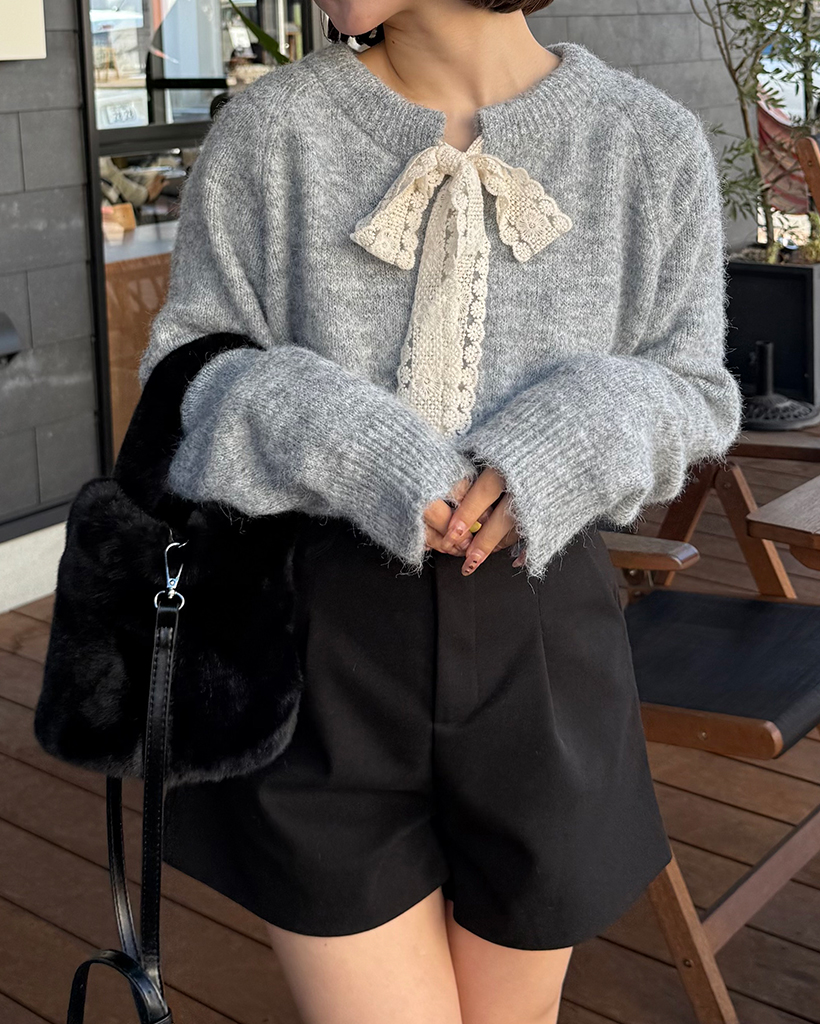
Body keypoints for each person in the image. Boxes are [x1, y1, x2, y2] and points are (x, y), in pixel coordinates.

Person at [139, 2, 744, 1022]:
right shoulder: (272, 131)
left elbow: (696, 389)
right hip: (312, 638)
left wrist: (575, 429)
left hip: (542, 641)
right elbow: (187, 370)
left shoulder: (646, 141)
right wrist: (348, 437)